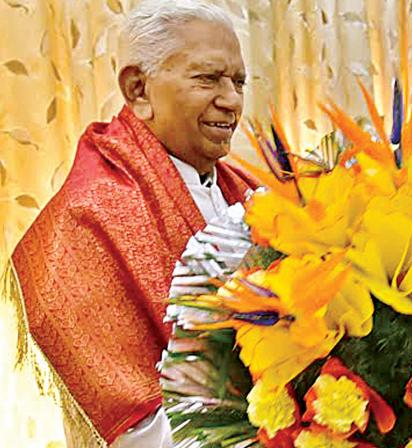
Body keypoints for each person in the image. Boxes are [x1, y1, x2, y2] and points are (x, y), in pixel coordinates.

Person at [9, 1, 259, 446]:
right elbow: (135, 428)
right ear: (138, 90)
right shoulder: (88, 217)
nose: (232, 100)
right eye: (208, 79)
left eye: (238, 81)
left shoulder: (247, 191)